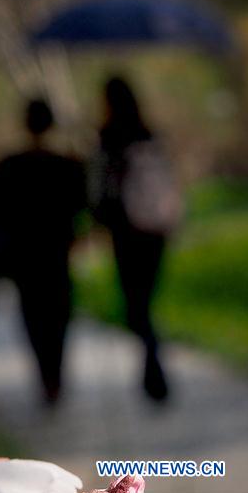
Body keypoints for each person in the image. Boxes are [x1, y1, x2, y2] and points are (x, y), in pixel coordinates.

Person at [0, 100, 86, 403]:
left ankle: (46, 378)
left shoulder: (10, 164)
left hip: (23, 260)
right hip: (58, 257)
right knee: (59, 319)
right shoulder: (68, 164)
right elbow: (85, 204)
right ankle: (55, 376)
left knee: (33, 320)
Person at [91, 77, 179, 402]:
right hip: (156, 230)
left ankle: (153, 369)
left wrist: (97, 218)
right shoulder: (151, 134)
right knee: (145, 301)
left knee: (134, 304)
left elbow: (102, 188)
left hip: (126, 232)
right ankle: (153, 367)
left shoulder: (108, 136)